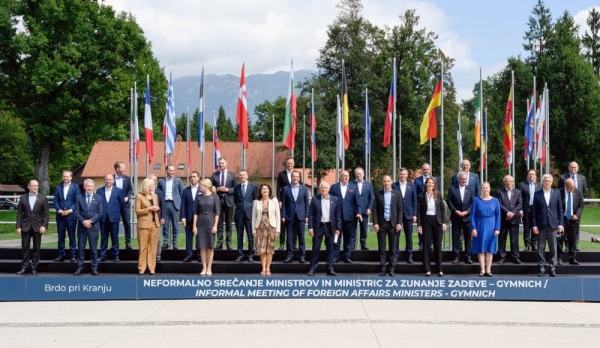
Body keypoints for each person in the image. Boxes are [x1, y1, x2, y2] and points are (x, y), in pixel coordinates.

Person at [532, 174, 564, 277]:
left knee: (553, 248)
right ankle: (541, 268)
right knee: (540, 247)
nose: (548, 183)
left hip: (553, 224)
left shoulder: (557, 193)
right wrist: (534, 225)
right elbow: (533, 212)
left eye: (549, 181)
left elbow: (560, 210)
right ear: (543, 182)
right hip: (541, 224)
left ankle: (552, 268)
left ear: (552, 182)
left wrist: (561, 224)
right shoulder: (537, 194)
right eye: (546, 181)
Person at [307, 182, 341, 276]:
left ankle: (330, 268)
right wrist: (310, 228)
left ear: (329, 189)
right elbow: (310, 215)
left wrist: (338, 228)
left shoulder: (335, 199)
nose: (324, 189)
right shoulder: (315, 199)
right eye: (322, 188)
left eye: (325, 188)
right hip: (318, 226)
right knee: (316, 248)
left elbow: (338, 216)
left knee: (330, 248)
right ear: (320, 189)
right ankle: (312, 268)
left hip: (330, 227)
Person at [15, 180, 49, 275]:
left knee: (36, 248)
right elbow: (19, 214)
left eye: (37, 185)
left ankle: (34, 267)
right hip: (25, 226)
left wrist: (44, 225)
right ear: (28, 186)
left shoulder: (43, 198)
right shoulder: (22, 198)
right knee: (25, 248)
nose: (35, 187)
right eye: (33, 185)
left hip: (37, 227)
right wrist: (18, 226)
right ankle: (24, 267)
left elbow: (46, 214)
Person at [372, 175, 403, 277]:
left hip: (393, 224)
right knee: (382, 248)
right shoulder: (378, 194)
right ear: (382, 182)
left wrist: (399, 223)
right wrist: (375, 223)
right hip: (382, 224)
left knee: (393, 248)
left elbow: (400, 210)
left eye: (388, 181)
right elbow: (375, 210)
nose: (386, 183)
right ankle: (383, 268)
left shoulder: (397, 194)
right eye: (385, 181)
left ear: (391, 182)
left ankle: (391, 268)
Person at [73, 179, 103, 276]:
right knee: (81, 248)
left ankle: (94, 267)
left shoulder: (98, 198)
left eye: (91, 186)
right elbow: (76, 212)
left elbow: (100, 213)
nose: (89, 188)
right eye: (88, 186)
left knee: (93, 248)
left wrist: (90, 221)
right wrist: (83, 221)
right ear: (84, 187)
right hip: (82, 227)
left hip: (93, 227)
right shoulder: (79, 197)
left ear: (93, 187)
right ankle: (80, 267)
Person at [471, 182, 501, 277]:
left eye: (487, 188)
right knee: (481, 248)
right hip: (480, 225)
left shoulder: (495, 201)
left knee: (490, 248)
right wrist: (473, 228)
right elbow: (472, 216)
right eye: (484, 188)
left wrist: (497, 228)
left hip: (491, 226)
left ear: (490, 189)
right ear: (481, 189)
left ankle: (488, 269)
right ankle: (482, 270)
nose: (485, 190)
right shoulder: (476, 200)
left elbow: (498, 215)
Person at [330, 170, 361, 263]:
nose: (346, 177)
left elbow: (358, 202)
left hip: (350, 217)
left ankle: (347, 256)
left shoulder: (353, 187)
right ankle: (336, 255)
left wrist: (359, 212)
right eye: (344, 175)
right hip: (337, 217)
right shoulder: (334, 187)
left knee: (348, 237)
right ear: (340, 177)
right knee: (336, 237)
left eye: (347, 175)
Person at [417, 177, 446, 277]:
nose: (430, 185)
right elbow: (419, 212)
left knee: (438, 245)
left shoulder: (438, 195)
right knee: (426, 245)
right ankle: (427, 269)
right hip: (426, 222)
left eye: (432, 183)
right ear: (426, 184)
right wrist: (419, 224)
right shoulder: (421, 196)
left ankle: (439, 269)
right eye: (429, 183)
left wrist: (443, 222)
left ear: (434, 185)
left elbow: (442, 209)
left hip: (437, 221)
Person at [558, 161, 587, 251]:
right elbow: (559, 191)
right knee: (565, 228)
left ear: (577, 168)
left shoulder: (582, 178)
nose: (573, 169)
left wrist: (577, 213)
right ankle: (567, 245)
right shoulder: (563, 178)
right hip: (566, 207)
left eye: (575, 167)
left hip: (576, 207)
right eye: (571, 167)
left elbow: (584, 191)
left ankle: (575, 245)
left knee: (576, 227)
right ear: (568, 168)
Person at [193, 179, 221, 275]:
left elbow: (217, 213)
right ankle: (204, 268)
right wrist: (194, 226)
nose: (200, 187)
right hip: (200, 222)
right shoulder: (199, 197)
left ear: (206, 186)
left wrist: (215, 226)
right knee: (202, 247)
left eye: (201, 185)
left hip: (210, 222)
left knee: (209, 247)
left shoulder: (215, 197)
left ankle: (209, 268)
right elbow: (195, 213)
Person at [446, 171, 475, 264]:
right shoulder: (452, 188)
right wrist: (455, 211)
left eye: (465, 179)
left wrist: (467, 211)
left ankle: (468, 256)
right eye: (462, 179)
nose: (464, 180)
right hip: (456, 216)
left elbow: (473, 202)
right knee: (456, 237)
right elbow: (449, 201)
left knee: (468, 237)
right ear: (458, 179)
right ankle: (456, 256)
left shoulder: (471, 189)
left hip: (467, 217)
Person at [252, 183, 280, 275]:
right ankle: (263, 268)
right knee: (262, 249)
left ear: (269, 191)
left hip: (271, 227)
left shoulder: (274, 201)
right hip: (260, 227)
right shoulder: (256, 202)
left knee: (270, 249)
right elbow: (254, 217)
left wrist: (277, 229)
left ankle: (268, 268)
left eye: (267, 189)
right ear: (260, 191)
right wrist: (253, 230)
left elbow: (277, 216)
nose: (265, 191)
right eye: (263, 189)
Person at [53, 170, 80, 263]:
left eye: (67, 176)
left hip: (71, 216)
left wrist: (70, 210)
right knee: (61, 237)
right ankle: (61, 255)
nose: (66, 178)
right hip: (60, 216)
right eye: (64, 176)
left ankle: (73, 256)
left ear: (71, 177)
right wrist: (60, 210)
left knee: (72, 236)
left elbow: (77, 201)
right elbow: (55, 200)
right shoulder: (58, 187)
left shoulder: (76, 187)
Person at [281, 171, 309, 263]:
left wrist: (306, 215)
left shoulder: (304, 189)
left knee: (302, 238)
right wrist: (283, 216)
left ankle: (302, 256)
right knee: (289, 238)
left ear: (299, 178)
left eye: (297, 177)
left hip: (301, 216)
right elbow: (284, 204)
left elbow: (306, 204)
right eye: (294, 176)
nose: (295, 178)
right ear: (291, 178)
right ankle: (289, 256)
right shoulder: (285, 189)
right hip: (289, 216)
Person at [97, 174, 125, 263]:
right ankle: (102, 256)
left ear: (113, 181)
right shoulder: (99, 191)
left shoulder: (119, 191)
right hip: (103, 218)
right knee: (103, 237)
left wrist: (115, 211)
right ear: (104, 180)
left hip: (114, 217)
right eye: (107, 179)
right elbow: (98, 204)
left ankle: (116, 256)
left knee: (115, 238)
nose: (108, 181)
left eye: (110, 180)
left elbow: (122, 204)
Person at [135, 177, 160, 275]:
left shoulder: (155, 196)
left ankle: (152, 268)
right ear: (147, 186)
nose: (154, 186)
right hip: (144, 225)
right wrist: (149, 209)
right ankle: (142, 268)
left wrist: (157, 208)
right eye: (152, 185)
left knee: (153, 247)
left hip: (155, 224)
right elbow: (137, 211)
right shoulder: (139, 196)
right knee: (143, 247)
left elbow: (157, 208)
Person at [392, 167, 418, 263]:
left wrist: (415, 214)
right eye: (401, 174)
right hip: (397, 215)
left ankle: (409, 255)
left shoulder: (412, 186)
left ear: (407, 175)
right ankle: (395, 255)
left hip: (408, 214)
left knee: (409, 236)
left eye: (404, 174)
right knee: (396, 236)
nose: (403, 176)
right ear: (399, 175)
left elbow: (415, 201)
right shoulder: (394, 186)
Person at [211, 157, 237, 249]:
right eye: (220, 163)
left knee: (229, 223)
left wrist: (228, 189)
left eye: (222, 163)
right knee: (219, 223)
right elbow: (211, 188)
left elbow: (236, 188)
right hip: (218, 200)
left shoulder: (232, 175)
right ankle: (220, 242)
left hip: (229, 201)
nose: (221, 165)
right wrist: (217, 189)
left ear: (226, 163)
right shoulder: (215, 175)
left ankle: (229, 242)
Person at [496, 175, 523, 264]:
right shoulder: (500, 192)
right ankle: (502, 257)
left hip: (514, 219)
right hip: (504, 219)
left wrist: (512, 213)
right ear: (504, 182)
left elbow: (519, 204)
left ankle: (515, 257)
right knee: (502, 239)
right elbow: (499, 204)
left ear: (513, 182)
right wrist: (508, 212)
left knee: (514, 239)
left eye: (511, 181)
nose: (509, 183)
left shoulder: (518, 192)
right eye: (507, 181)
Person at [558, 178, 584, 265]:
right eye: (570, 187)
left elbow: (581, 204)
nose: (572, 188)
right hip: (562, 219)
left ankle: (572, 258)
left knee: (572, 240)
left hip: (573, 220)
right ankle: (559, 258)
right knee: (560, 239)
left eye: (573, 186)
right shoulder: (559, 192)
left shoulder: (578, 192)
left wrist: (577, 214)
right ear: (565, 186)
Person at [413, 163, 439, 250]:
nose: (426, 171)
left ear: (430, 170)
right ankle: (421, 243)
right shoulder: (417, 180)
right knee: (421, 226)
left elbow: (436, 192)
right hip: (422, 206)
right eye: (424, 169)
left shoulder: (434, 179)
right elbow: (415, 194)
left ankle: (430, 244)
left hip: (432, 207)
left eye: (427, 169)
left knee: (432, 227)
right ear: (422, 170)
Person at [158, 165, 184, 249]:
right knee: (165, 225)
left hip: (174, 204)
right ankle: (165, 242)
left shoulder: (178, 180)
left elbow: (182, 193)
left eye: (173, 170)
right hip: (165, 204)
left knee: (175, 225)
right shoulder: (161, 181)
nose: (172, 172)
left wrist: (180, 204)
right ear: (166, 171)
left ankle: (175, 242)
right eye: (171, 170)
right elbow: (159, 193)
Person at [234, 170, 258, 262]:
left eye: (244, 175)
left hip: (250, 214)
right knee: (239, 236)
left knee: (250, 236)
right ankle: (240, 254)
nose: (242, 176)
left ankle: (250, 254)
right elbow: (236, 201)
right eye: (240, 175)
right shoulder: (236, 188)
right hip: (239, 214)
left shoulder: (253, 186)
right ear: (239, 177)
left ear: (247, 176)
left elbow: (255, 200)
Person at [180, 171, 202, 262]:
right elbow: (183, 205)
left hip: (200, 218)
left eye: (194, 177)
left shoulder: (202, 190)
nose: (193, 178)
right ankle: (189, 254)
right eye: (191, 177)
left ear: (198, 178)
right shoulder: (186, 190)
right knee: (189, 237)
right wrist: (183, 217)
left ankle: (199, 255)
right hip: (188, 217)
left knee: (200, 237)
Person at [519, 169, 542, 251]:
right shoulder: (522, 185)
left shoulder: (540, 185)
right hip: (526, 209)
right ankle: (527, 245)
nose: (531, 176)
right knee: (526, 227)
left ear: (535, 176)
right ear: (527, 175)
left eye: (533, 174)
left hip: (536, 209)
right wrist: (520, 210)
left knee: (535, 226)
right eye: (529, 174)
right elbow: (520, 198)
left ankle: (534, 244)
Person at [276, 157, 296, 250]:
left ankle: (294, 244)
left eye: (291, 163)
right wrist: (279, 200)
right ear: (286, 164)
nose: (290, 165)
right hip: (284, 202)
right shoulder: (281, 174)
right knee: (283, 224)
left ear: (294, 164)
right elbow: (278, 188)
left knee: (294, 224)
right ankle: (282, 244)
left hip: (294, 203)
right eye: (288, 163)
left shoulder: (297, 174)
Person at [113, 161, 133, 249]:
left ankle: (128, 242)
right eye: (122, 167)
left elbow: (130, 190)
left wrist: (128, 197)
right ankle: (114, 243)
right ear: (117, 169)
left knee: (127, 224)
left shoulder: (127, 179)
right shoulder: (111, 178)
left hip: (125, 205)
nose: (125, 169)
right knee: (114, 224)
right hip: (114, 205)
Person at [354, 167, 374, 250]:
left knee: (364, 228)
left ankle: (363, 244)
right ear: (355, 175)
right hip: (354, 210)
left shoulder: (368, 184)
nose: (358, 175)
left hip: (365, 210)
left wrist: (369, 208)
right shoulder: (351, 184)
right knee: (352, 229)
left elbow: (371, 197)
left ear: (363, 174)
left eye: (360, 173)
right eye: (357, 174)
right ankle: (353, 244)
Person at [149, 174, 166, 263]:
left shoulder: (160, 192)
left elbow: (163, 205)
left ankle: (158, 255)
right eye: (152, 180)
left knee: (158, 239)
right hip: (147, 219)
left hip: (157, 218)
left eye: (155, 180)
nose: (153, 182)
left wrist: (162, 217)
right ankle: (149, 256)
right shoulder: (144, 192)